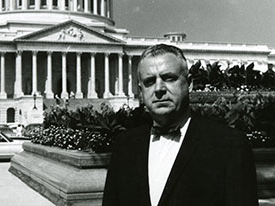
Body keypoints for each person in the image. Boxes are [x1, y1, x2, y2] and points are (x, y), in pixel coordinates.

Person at [102, 44, 258, 206]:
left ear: (189, 83)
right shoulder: (124, 146)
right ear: (141, 92)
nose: (159, 89)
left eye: (169, 78)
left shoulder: (230, 145)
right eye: (149, 81)